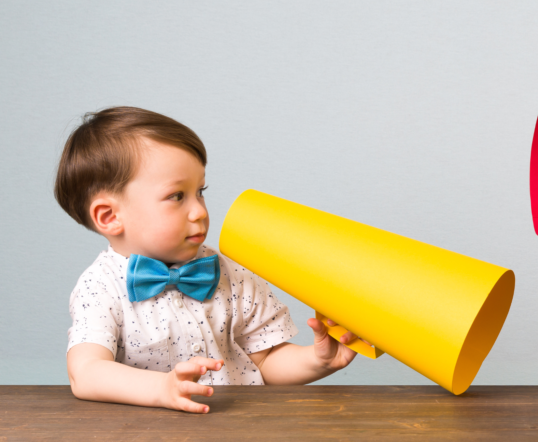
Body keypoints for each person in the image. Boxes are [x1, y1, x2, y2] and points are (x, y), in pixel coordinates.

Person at [59, 106, 358, 413]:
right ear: (109, 217)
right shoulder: (100, 287)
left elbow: (265, 361)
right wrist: (161, 389)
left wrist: (318, 360)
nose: (200, 210)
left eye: (200, 191)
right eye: (177, 196)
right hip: (145, 437)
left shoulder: (232, 274)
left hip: (243, 429)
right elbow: (86, 373)